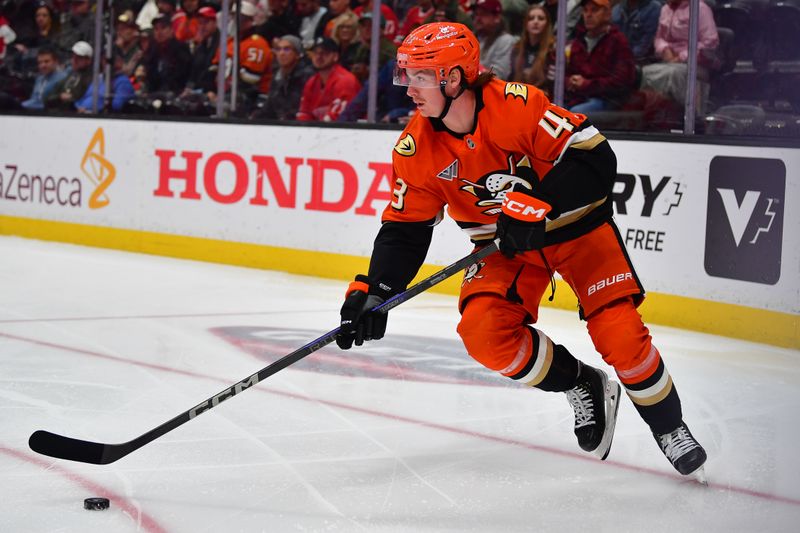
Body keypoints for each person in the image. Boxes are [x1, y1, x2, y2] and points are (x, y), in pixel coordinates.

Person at [335, 22, 708, 479]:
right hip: (505, 249)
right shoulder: (414, 148)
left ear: (454, 78)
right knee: (483, 332)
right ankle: (582, 383)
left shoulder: (517, 105)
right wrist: (377, 290)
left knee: (622, 338)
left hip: (578, 234)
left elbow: (595, 158)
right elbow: (404, 230)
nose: (408, 89)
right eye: (406, 76)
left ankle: (669, 426)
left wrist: (541, 206)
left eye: (421, 77)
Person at [640, 0, 718, 114]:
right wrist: (664, 49)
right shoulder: (665, 9)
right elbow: (659, 38)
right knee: (643, 72)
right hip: (669, 61)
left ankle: (691, 116)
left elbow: (710, 42)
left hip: (696, 63)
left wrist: (682, 56)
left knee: (673, 73)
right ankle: (656, 115)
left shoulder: (701, 8)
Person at [564, 0, 636, 113]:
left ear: (608, 14)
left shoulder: (618, 41)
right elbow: (566, 72)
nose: (588, 15)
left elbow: (621, 81)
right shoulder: (579, 40)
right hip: (577, 97)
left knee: (575, 114)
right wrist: (569, 81)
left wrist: (587, 84)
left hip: (606, 100)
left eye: (594, 10)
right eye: (585, 10)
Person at [296, 35, 360, 121]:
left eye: (324, 53)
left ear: (335, 56)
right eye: (315, 52)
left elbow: (338, 119)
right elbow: (304, 113)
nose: (319, 56)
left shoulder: (345, 81)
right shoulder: (312, 82)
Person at [252, 34, 313, 119]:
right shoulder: (277, 76)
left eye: (287, 49)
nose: (281, 53)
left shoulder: (307, 76)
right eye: (278, 49)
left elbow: (300, 109)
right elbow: (269, 107)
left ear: (298, 54)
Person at [511, 2, 555, 96]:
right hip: (520, 96)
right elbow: (512, 78)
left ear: (547, 24)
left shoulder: (553, 50)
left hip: (543, 98)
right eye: (531, 18)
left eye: (541, 18)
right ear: (526, 24)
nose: (536, 22)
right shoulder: (517, 48)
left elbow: (552, 85)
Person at [141, 13, 192, 94]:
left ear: (171, 29)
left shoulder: (181, 48)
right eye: (156, 29)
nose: (159, 32)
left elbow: (182, 75)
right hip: (154, 94)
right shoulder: (152, 50)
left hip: (176, 94)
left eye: (163, 28)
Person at [74, 47, 135, 112]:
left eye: (110, 60)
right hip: (81, 115)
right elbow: (84, 97)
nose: (105, 62)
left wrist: (91, 110)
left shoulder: (123, 82)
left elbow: (116, 106)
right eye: (103, 59)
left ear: (120, 61)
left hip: (101, 119)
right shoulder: (99, 78)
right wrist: (79, 107)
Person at [471, 0, 518, 81]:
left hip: (491, 90)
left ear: (497, 18)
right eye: (476, 14)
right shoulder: (472, 37)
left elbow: (498, 75)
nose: (478, 18)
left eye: (483, 14)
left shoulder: (506, 40)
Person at [44, 39, 93, 110]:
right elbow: (47, 98)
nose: (74, 60)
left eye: (79, 57)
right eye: (73, 56)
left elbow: (82, 101)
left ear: (88, 60)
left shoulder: (91, 79)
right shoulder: (69, 76)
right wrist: (60, 97)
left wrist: (69, 99)